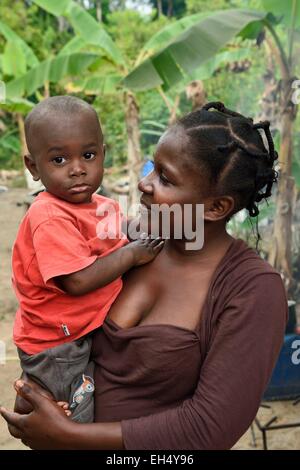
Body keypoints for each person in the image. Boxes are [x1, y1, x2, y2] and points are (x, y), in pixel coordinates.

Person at [1, 102, 288, 450]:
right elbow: (68, 328)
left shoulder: (252, 290)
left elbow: (209, 428)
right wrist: (42, 394)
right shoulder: (127, 245)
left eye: (164, 178)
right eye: (152, 167)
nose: (143, 183)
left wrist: (70, 436)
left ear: (216, 207)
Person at [10, 96, 164, 423]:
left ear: (103, 155)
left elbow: (120, 231)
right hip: (56, 346)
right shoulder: (49, 215)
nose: (78, 168)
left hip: (79, 330)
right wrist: (133, 254)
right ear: (33, 167)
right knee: (75, 418)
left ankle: (35, 393)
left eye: (88, 155)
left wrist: (155, 227)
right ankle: (34, 404)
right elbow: (77, 281)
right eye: (59, 159)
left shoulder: (99, 204)